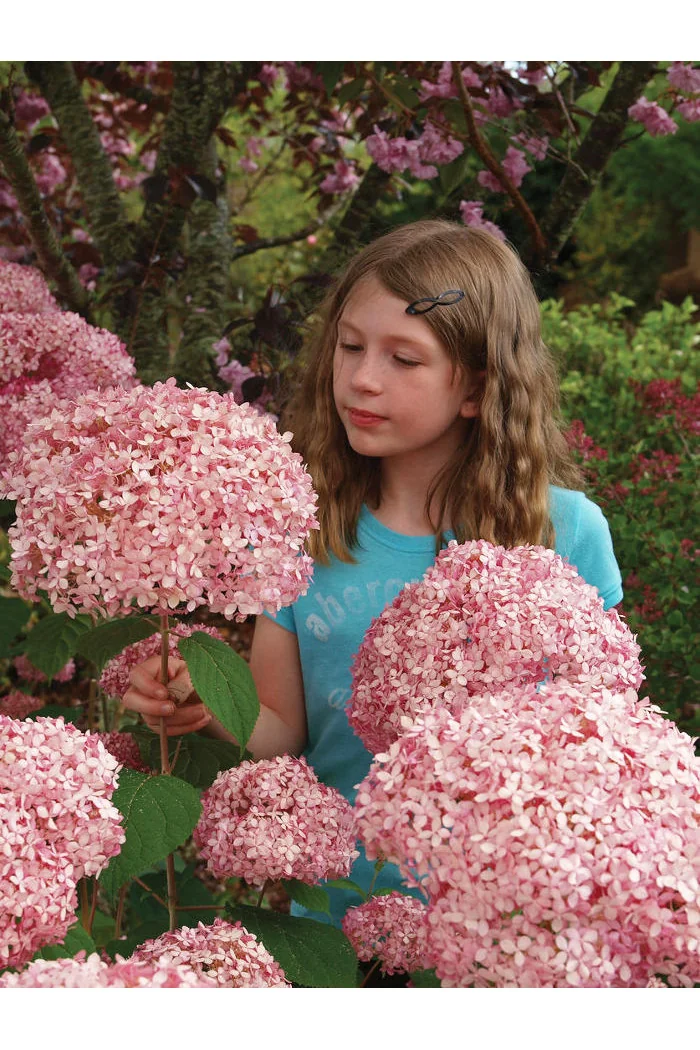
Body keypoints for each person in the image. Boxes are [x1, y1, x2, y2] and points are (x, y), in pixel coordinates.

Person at [122, 219, 623, 928]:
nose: (361, 377)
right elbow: (278, 730)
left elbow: (606, 735)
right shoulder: (305, 533)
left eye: (404, 359)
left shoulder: (563, 533)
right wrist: (203, 704)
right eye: (351, 347)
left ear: (478, 388)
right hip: (335, 919)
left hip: (512, 922)